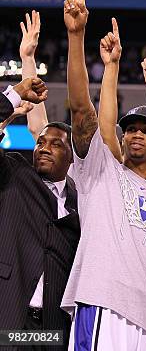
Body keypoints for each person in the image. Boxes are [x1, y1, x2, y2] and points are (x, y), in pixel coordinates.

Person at [59, 0, 146, 350]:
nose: (137, 135)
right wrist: (77, 38)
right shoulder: (101, 173)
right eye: (131, 130)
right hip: (102, 307)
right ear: (123, 137)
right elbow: (82, 111)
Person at [0, 74, 81, 348]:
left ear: (71, 157)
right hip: (9, 319)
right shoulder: (13, 172)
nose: (44, 148)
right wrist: (13, 98)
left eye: (56, 144)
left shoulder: (81, 202)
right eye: (40, 142)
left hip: (53, 330)